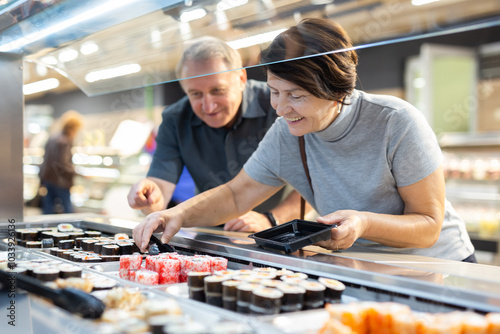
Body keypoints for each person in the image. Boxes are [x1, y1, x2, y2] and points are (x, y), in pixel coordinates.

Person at [133, 18, 476, 263]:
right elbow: (237, 193)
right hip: (363, 268)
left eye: (295, 95)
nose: (281, 108)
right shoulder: (287, 133)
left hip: (440, 268)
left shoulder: (396, 122)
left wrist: (364, 222)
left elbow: (429, 225)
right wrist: (176, 215)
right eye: (274, 92)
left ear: (334, 89)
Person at [127, 36, 304, 232]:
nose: (209, 106)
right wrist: (148, 196)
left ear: (241, 79)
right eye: (196, 94)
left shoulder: (279, 104)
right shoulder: (175, 119)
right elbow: (159, 188)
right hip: (211, 233)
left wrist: (272, 219)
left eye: (218, 90)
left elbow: (312, 178)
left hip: (281, 231)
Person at [39, 110, 83, 214]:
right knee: (67, 211)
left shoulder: (52, 137)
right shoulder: (65, 141)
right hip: (61, 182)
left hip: (48, 179)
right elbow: (63, 164)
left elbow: (45, 159)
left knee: (48, 210)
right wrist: (78, 173)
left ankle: (45, 230)